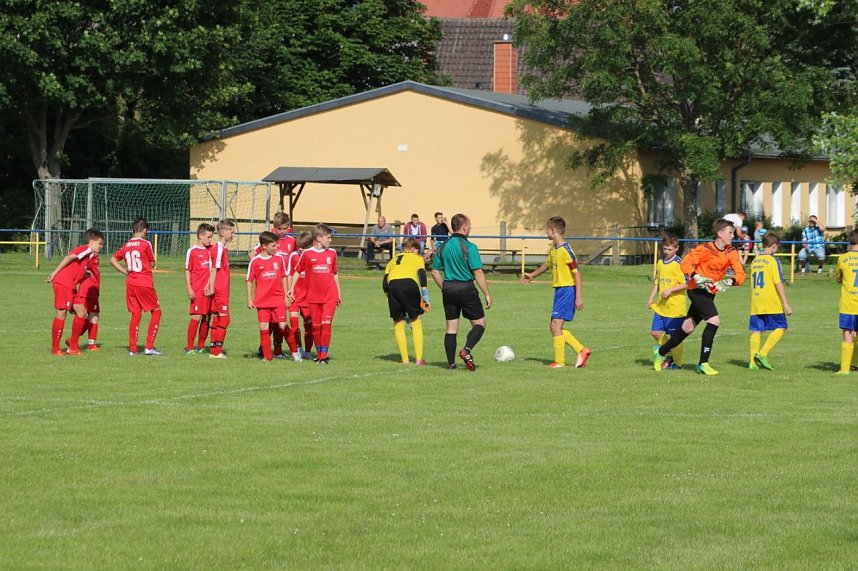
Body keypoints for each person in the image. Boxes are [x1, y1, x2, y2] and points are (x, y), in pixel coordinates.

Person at [653, 218, 746, 375]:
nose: (733, 235)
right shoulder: (705, 249)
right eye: (730, 232)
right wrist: (696, 276)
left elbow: (741, 274)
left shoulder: (731, 252)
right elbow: (686, 264)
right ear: (720, 233)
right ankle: (703, 363)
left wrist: (729, 281)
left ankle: (660, 352)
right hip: (696, 290)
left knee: (687, 328)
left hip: (709, 293)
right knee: (714, 321)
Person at [521, 216, 592, 368]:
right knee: (554, 326)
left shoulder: (566, 250)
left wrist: (578, 296)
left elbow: (577, 273)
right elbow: (547, 265)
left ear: (553, 231)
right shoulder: (554, 249)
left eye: (547, 229)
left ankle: (561, 361)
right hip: (560, 291)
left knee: (555, 326)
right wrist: (532, 275)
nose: (546, 232)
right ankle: (582, 350)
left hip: (567, 291)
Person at [431, 213, 492, 370]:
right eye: (469, 225)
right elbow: (478, 272)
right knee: (480, 324)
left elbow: (435, 272)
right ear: (464, 227)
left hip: (449, 288)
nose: (470, 228)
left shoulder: (442, 246)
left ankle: (451, 364)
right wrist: (486, 293)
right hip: (466, 288)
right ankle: (466, 350)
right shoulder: (470, 247)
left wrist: (444, 287)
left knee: (451, 328)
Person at [45, 228, 104, 355]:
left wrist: (86, 274)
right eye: (99, 243)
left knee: (81, 311)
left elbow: (78, 267)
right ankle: (55, 349)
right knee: (61, 313)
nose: (101, 246)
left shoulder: (88, 256)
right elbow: (69, 257)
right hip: (63, 282)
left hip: (70, 285)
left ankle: (73, 346)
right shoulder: (86, 249)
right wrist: (55, 273)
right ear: (91, 242)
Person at [110, 217, 164, 356]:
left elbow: (113, 259)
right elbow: (152, 264)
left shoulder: (127, 244)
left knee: (136, 314)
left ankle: (133, 349)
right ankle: (149, 347)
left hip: (131, 283)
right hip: (144, 282)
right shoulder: (145, 244)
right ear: (144, 230)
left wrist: (125, 271)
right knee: (157, 311)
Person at [289, 224, 342, 364]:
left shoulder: (332, 253)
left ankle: (323, 356)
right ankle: (319, 354)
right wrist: (291, 288)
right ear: (319, 238)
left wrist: (339, 293)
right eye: (328, 238)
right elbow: (297, 271)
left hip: (330, 296)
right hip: (313, 297)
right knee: (316, 327)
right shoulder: (307, 254)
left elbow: (335, 273)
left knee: (326, 324)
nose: (330, 241)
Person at [383, 237, 431, 365]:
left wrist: (391, 297)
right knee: (416, 321)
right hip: (409, 284)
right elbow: (421, 274)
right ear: (414, 249)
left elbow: (384, 282)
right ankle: (419, 359)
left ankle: (405, 360)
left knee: (398, 322)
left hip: (392, 286)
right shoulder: (417, 258)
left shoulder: (393, 260)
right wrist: (425, 294)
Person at [748, 233, 792, 370]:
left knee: (756, 330)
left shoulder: (755, 261)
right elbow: (778, 282)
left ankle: (752, 362)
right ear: (773, 246)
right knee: (781, 326)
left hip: (756, 300)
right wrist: (785, 303)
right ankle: (762, 353)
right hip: (770, 300)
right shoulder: (773, 261)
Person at [246, 231, 290, 362]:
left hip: (277, 299)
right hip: (262, 301)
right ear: (264, 246)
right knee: (264, 328)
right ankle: (267, 356)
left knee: (282, 326)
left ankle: (294, 352)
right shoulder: (255, 261)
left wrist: (286, 294)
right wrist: (249, 299)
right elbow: (249, 280)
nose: (276, 248)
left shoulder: (278, 259)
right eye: (274, 246)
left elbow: (284, 276)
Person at [645, 233, 687, 370]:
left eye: (669, 249)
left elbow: (687, 283)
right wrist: (651, 297)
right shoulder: (660, 262)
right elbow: (657, 282)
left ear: (676, 248)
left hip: (675, 307)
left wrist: (671, 290)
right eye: (665, 249)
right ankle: (669, 353)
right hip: (661, 306)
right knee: (655, 332)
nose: (667, 252)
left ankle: (678, 363)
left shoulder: (679, 264)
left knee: (675, 337)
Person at [184, 223, 215, 354]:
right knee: (196, 317)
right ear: (200, 236)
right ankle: (190, 347)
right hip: (197, 289)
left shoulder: (211, 249)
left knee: (207, 317)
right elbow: (187, 270)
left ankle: (201, 346)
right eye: (208, 237)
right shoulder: (192, 251)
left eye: (211, 237)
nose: (210, 239)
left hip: (209, 290)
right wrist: (189, 288)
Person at [208, 219, 235, 359]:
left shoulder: (222, 248)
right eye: (231, 231)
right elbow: (213, 269)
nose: (233, 234)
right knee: (225, 319)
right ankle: (217, 351)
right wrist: (212, 288)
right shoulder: (219, 249)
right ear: (223, 232)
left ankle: (214, 350)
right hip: (220, 290)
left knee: (218, 319)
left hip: (222, 289)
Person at [286, 232, 314, 360]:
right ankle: (298, 348)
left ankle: (308, 350)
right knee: (294, 323)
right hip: (295, 296)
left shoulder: (313, 256)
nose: (300, 249)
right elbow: (289, 274)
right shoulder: (293, 256)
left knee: (309, 325)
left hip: (308, 297)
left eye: (303, 247)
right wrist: (289, 291)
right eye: (299, 247)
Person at [835, 230, 858, 375]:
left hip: (848, 304)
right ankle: (855, 364)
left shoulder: (843, 258)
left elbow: (838, 277)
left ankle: (844, 369)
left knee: (848, 334)